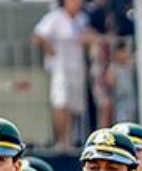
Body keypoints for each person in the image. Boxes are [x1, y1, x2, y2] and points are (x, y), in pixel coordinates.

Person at [33, 0, 93, 150]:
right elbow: (38, 35)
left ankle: (70, 140)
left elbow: (90, 35)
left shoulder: (82, 19)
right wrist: (49, 47)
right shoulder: (54, 18)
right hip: (60, 67)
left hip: (77, 67)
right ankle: (61, 140)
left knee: (73, 105)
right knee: (60, 103)